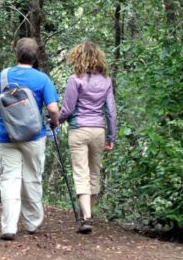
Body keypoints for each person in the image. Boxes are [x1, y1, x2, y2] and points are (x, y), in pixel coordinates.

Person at [0, 37, 60, 241]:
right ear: (35, 57)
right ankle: (32, 223)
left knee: (9, 179)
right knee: (32, 177)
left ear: (16, 54)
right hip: (34, 136)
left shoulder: (3, 76)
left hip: (7, 135)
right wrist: (55, 121)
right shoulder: (42, 79)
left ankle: (9, 226)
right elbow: (53, 108)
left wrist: (9, 115)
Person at [58, 41, 117, 234]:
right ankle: (87, 215)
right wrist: (111, 136)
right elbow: (111, 111)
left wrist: (54, 120)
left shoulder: (75, 79)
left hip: (79, 129)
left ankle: (87, 217)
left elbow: (67, 109)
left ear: (78, 57)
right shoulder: (106, 81)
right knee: (94, 172)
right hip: (98, 130)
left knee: (80, 172)